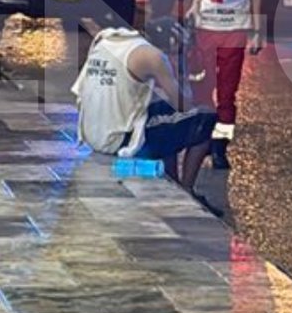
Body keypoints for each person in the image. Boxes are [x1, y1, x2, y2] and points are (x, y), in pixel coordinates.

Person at [74, 26, 216, 195]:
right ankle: (187, 189)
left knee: (165, 117)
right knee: (205, 117)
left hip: (93, 134)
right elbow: (184, 105)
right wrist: (181, 67)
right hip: (118, 141)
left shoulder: (107, 42)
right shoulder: (154, 57)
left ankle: (172, 182)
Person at [186, 0, 269, 170]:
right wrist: (192, 9)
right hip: (205, 31)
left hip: (234, 32)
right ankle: (202, 140)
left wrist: (257, 32)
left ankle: (220, 148)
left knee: (226, 93)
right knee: (201, 89)